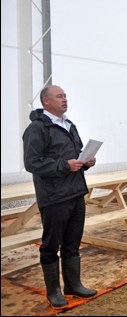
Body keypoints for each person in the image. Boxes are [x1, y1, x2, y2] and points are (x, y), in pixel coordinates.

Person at [22, 85, 97, 308]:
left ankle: (73, 285)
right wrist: (64, 165)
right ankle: (53, 291)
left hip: (75, 192)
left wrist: (85, 163)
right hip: (54, 197)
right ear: (46, 101)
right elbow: (32, 163)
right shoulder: (37, 128)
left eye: (65, 96)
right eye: (59, 96)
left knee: (72, 243)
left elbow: (77, 153)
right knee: (51, 245)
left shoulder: (68, 125)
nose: (65, 99)